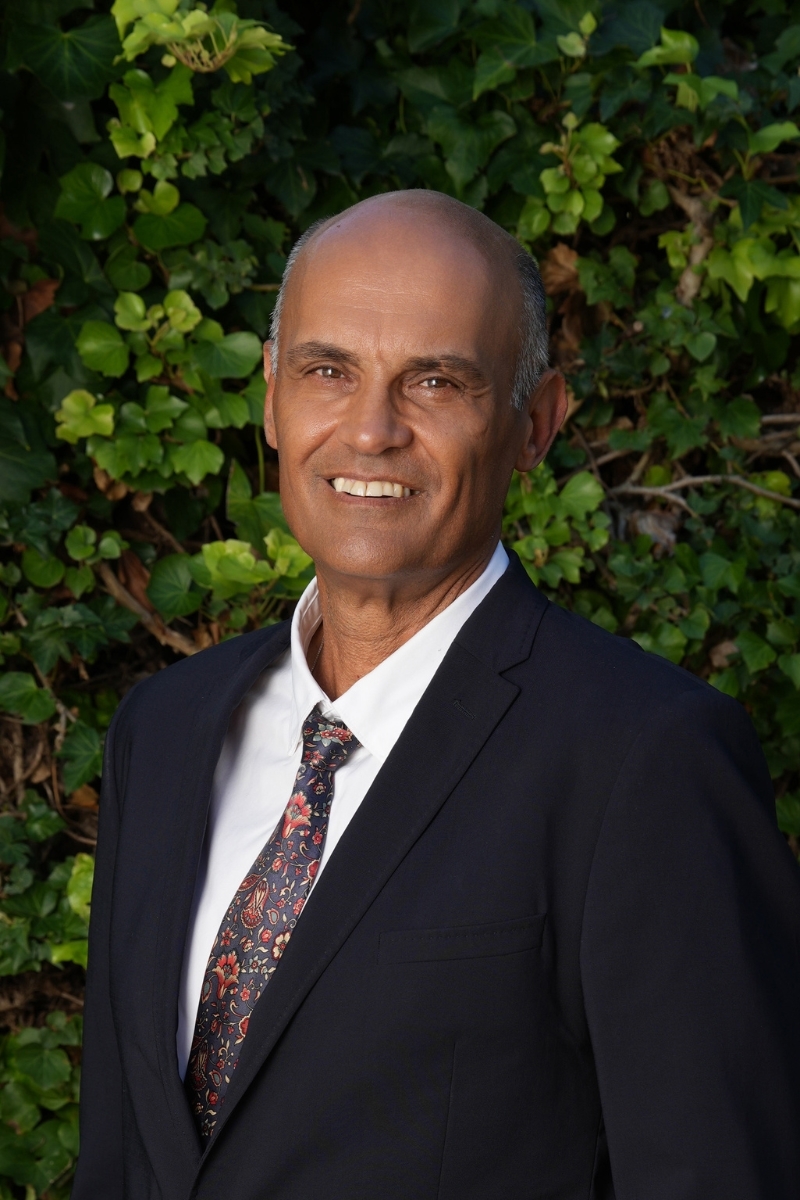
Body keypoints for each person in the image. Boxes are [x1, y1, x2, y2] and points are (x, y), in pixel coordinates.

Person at [74, 190, 800, 1200]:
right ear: (272, 399)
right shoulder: (163, 732)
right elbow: (119, 1158)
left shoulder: (646, 760)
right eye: (328, 371)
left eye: (435, 382)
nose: (371, 431)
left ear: (533, 425)